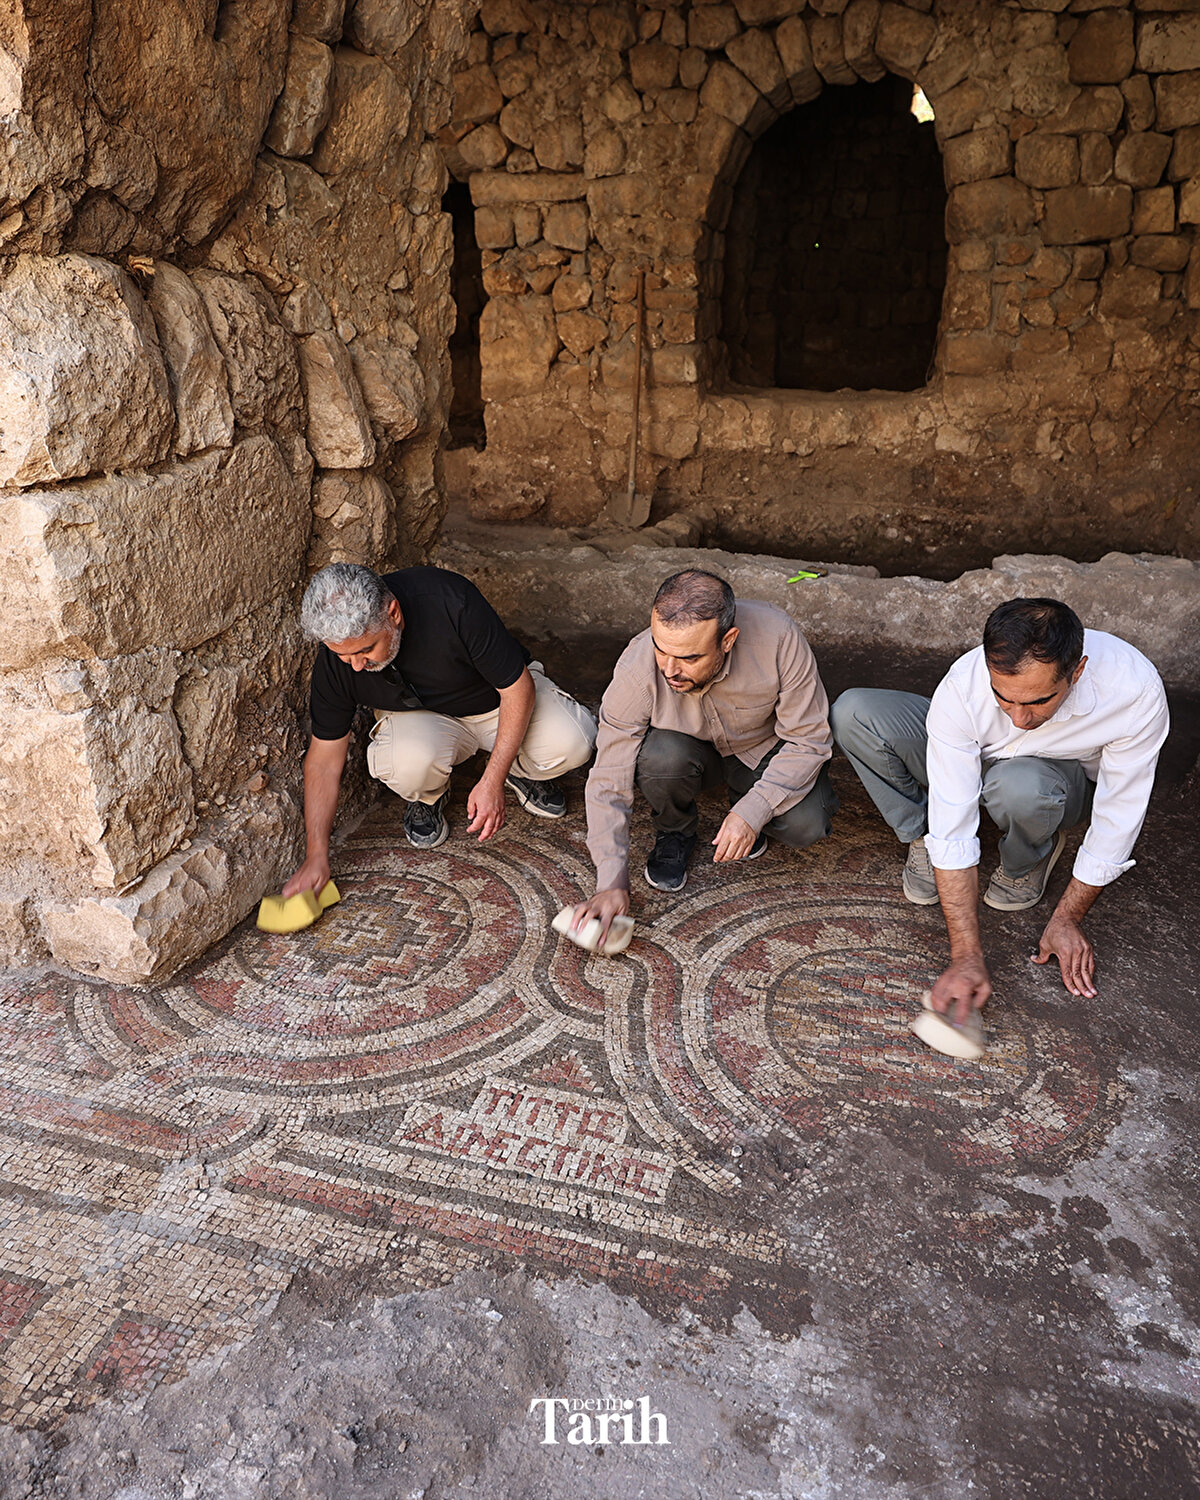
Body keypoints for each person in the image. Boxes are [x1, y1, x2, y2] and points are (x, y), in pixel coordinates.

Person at [831, 597, 1169, 1019]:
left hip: (1050, 779)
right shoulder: (964, 686)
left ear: (1077, 671)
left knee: (1020, 788)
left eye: (1039, 701)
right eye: (1003, 698)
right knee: (854, 713)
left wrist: (1067, 918)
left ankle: (1028, 856)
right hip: (981, 757)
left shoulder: (1133, 690)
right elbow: (955, 824)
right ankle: (921, 836)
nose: (1018, 718)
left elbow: (1119, 815)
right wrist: (966, 958)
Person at [283, 563, 596, 896]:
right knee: (406, 763)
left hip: (495, 704)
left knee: (573, 740)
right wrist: (316, 855)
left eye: (365, 650)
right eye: (345, 656)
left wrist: (492, 780)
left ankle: (516, 768)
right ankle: (431, 794)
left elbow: (517, 689)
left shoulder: (450, 600)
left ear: (393, 613)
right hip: (422, 721)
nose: (357, 665)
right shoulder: (339, 655)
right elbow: (324, 760)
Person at [572, 569, 838, 940]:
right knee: (659, 756)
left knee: (807, 823)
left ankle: (742, 809)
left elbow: (809, 740)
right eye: (661, 649)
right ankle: (675, 831)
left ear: (728, 640)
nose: (669, 669)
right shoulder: (638, 666)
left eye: (689, 657)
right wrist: (610, 880)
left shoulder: (778, 638)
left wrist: (754, 810)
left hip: (759, 750)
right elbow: (608, 775)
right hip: (686, 754)